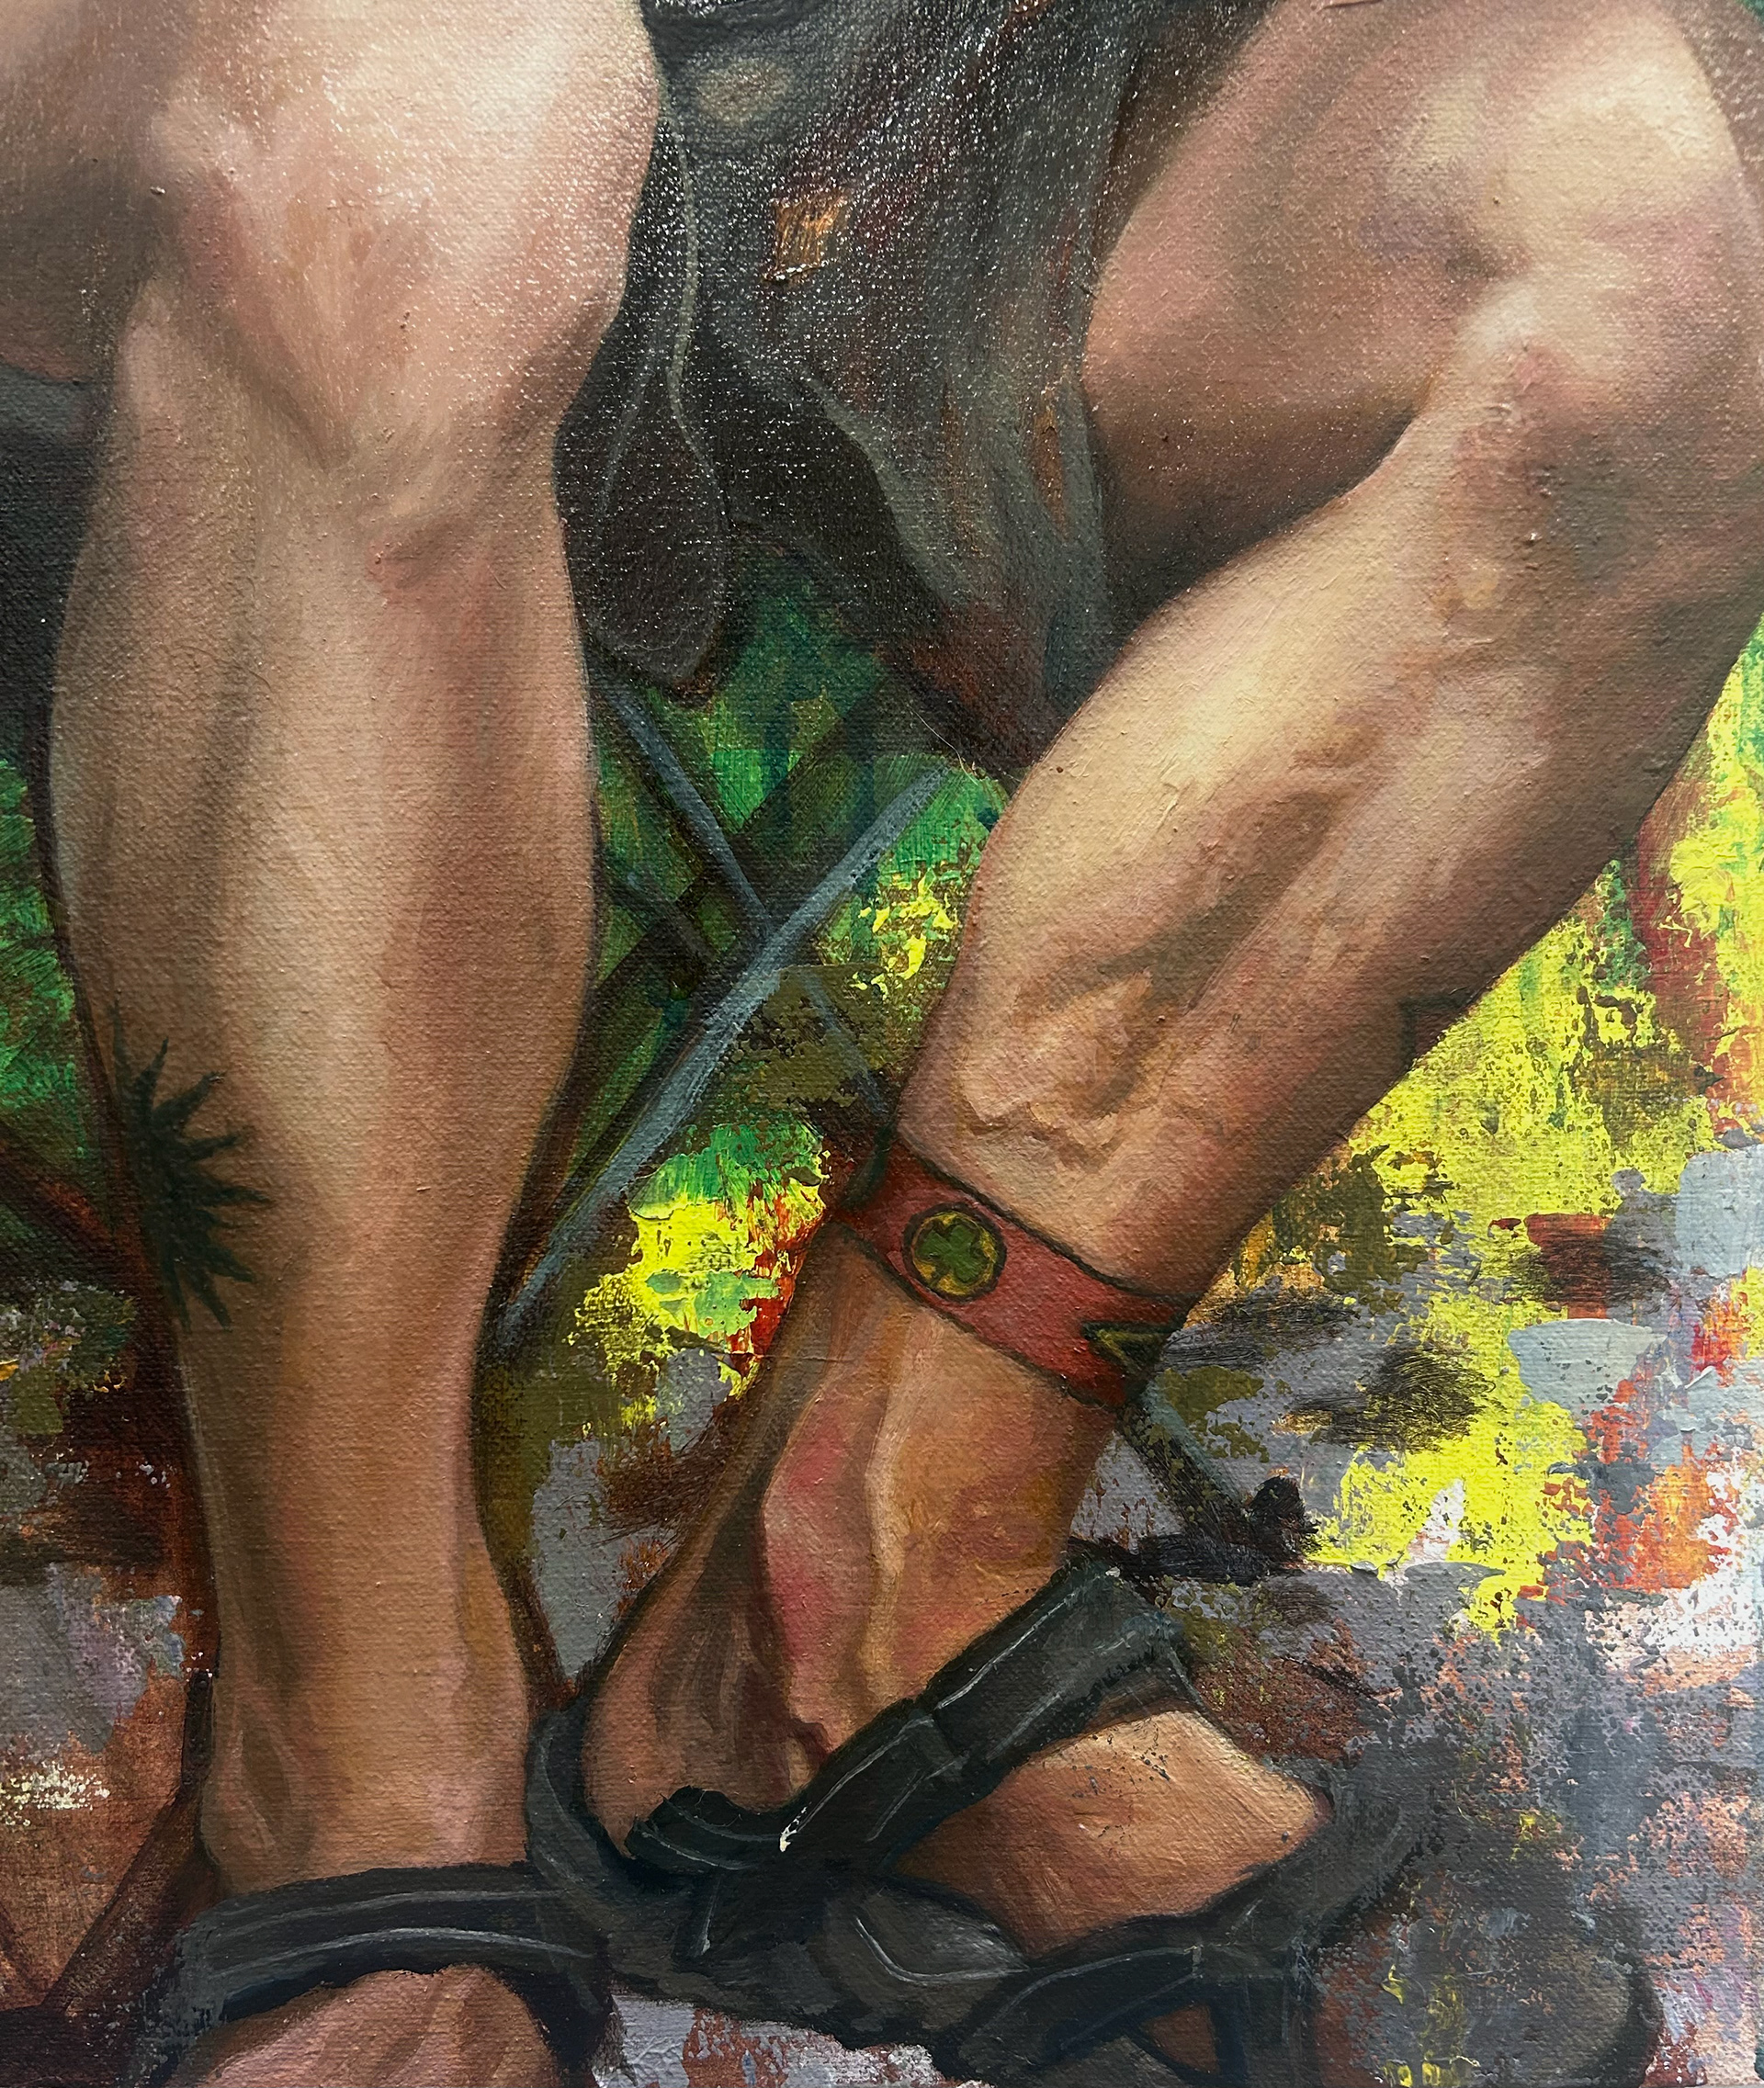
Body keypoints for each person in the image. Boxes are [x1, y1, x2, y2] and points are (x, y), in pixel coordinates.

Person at [3, 0, 1762, 2078]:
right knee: (422, 132)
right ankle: (352, 1780)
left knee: (1664, 252)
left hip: (871, 103)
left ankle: (861, 1586)